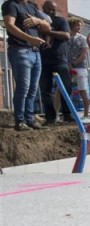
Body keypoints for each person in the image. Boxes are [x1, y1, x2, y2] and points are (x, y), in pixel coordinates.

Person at [2, 0, 49, 131]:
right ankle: (20, 120)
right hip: (20, 50)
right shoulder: (10, 4)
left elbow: (48, 27)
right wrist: (30, 39)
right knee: (23, 87)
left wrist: (38, 21)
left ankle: (30, 119)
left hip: (35, 52)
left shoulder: (32, 7)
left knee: (33, 89)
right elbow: (9, 25)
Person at [39, 0, 70, 125]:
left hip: (59, 60)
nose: (51, 11)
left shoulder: (60, 21)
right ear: (43, 8)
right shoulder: (39, 21)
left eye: (53, 9)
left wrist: (49, 32)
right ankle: (50, 118)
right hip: (43, 60)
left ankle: (67, 116)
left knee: (65, 88)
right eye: (49, 9)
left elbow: (67, 36)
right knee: (46, 91)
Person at [68, 17, 90, 123]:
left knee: (83, 91)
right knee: (64, 91)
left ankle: (86, 115)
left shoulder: (82, 38)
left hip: (80, 67)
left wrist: (73, 64)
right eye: (77, 25)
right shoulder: (66, 37)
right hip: (68, 66)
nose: (79, 27)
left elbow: (83, 54)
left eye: (80, 25)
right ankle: (65, 114)